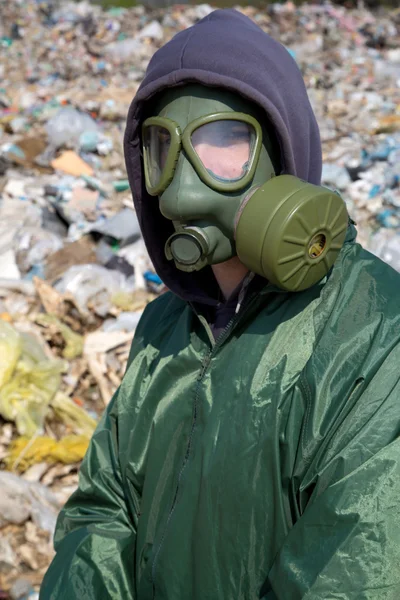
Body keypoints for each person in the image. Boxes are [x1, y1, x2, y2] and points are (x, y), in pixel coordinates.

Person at [40, 9, 400, 600]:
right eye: (162, 147)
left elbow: (356, 569)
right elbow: (102, 517)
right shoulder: (165, 325)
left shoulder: (375, 332)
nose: (184, 186)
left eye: (223, 141)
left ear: (284, 151)